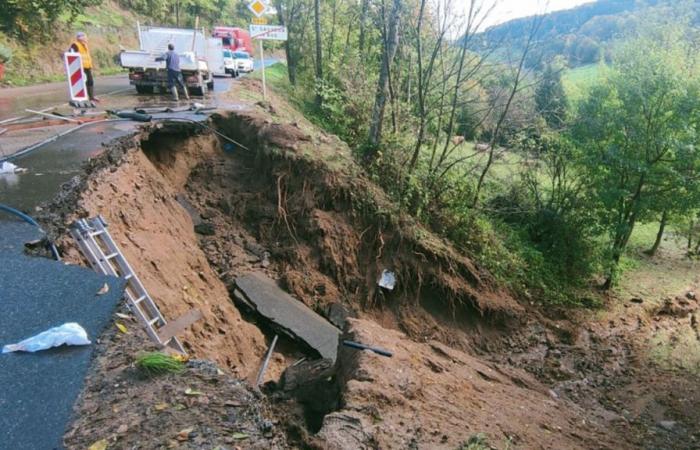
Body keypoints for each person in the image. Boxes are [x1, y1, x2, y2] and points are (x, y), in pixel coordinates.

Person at [69, 32, 98, 104]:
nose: (86, 39)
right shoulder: (75, 45)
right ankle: (82, 97)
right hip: (80, 67)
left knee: (90, 81)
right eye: (84, 37)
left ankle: (91, 97)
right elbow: (71, 55)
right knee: (82, 82)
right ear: (80, 38)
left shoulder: (85, 45)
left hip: (87, 66)